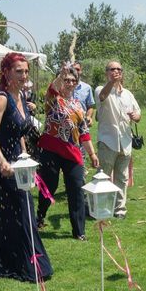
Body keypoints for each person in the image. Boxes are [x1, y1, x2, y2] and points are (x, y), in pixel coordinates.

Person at [0, 53, 52, 282]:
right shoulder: (2, 98)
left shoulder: (22, 97)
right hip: (2, 163)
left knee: (10, 212)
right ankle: (29, 263)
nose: (23, 75)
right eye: (18, 71)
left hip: (18, 162)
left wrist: (25, 155)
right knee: (23, 207)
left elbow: (19, 133)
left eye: (25, 71)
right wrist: (2, 161)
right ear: (6, 72)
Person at [36, 65, 99, 240]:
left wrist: (93, 154)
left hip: (73, 153)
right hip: (51, 150)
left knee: (76, 190)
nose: (69, 83)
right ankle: (40, 215)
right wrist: (61, 75)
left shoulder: (78, 105)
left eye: (73, 80)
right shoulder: (53, 100)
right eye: (66, 79)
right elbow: (52, 88)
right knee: (49, 186)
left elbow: (84, 133)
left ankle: (79, 231)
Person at [95, 61, 141, 219]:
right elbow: (102, 97)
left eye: (118, 69)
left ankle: (119, 209)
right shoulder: (101, 89)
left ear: (122, 72)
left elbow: (138, 113)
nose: (115, 71)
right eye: (112, 69)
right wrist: (111, 83)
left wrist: (136, 116)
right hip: (108, 141)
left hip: (126, 141)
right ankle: (101, 207)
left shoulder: (128, 94)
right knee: (104, 176)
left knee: (122, 177)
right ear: (106, 72)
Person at [72, 61, 95, 126]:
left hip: (81, 123)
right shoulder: (64, 87)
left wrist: (89, 117)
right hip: (66, 123)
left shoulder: (87, 88)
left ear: (81, 71)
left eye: (77, 69)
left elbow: (90, 106)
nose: (75, 71)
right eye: (73, 69)